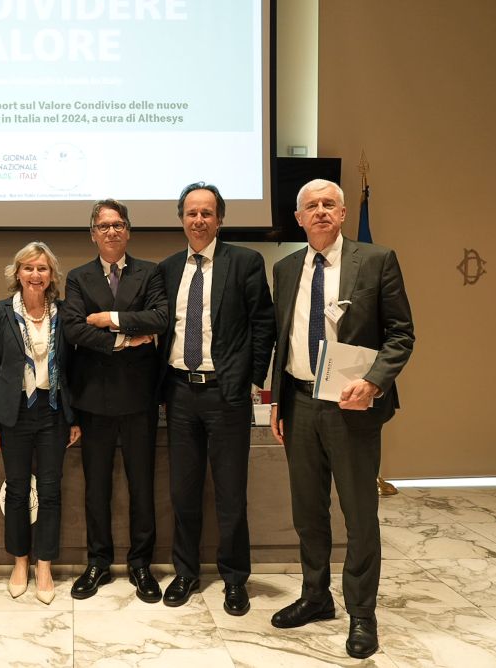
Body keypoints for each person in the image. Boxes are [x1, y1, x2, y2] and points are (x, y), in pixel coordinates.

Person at [269, 179, 414, 659]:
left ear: (344, 212)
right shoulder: (286, 268)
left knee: (359, 514)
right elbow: (284, 339)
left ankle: (362, 614)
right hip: (300, 403)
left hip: (352, 406)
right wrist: (278, 402)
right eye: (311, 206)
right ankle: (316, 597)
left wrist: (373, 382)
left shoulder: (375, 260)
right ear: (299, 218)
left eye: (329, 204)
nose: (321, 211)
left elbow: (401, 334)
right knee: (308, 512)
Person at [157, 182, 275, 614]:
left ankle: (235, 579)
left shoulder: (244, 262)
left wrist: (251, 381)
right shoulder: (168, 268)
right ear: (181, 219)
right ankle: (186, 573)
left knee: (230, 494)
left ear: (220, 219)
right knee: (183, 491)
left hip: (226, 395)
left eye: (207, 213)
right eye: (191, 213)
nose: (199, 220)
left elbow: (263, 324)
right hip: (179, 393)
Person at [61, 199, 168, 602]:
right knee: (97, 488)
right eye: (103, 226)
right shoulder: (78, 277)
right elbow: (74, 329)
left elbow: (160, 318)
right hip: (93, 399)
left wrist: (110, 319)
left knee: (142, 486)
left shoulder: (150, 272)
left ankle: (141, 564)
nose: (111, 231)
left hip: (140, 398)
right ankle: (98, 562)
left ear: (128, 231)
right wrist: (126, 339)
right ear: (93, 234)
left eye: (118, 225)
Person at [0, 242, 81, 605]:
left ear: (51, 275)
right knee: (18, 490)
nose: (35, 275)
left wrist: (74, 417)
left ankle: (44, 566)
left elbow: (75, 369)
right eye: (28, 268)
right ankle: (20, 562)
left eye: (42, 268)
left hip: (53, 412)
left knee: (51, 491)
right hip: (16, 412)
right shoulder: (0, 312)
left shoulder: (64, 312)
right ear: (17, 273)